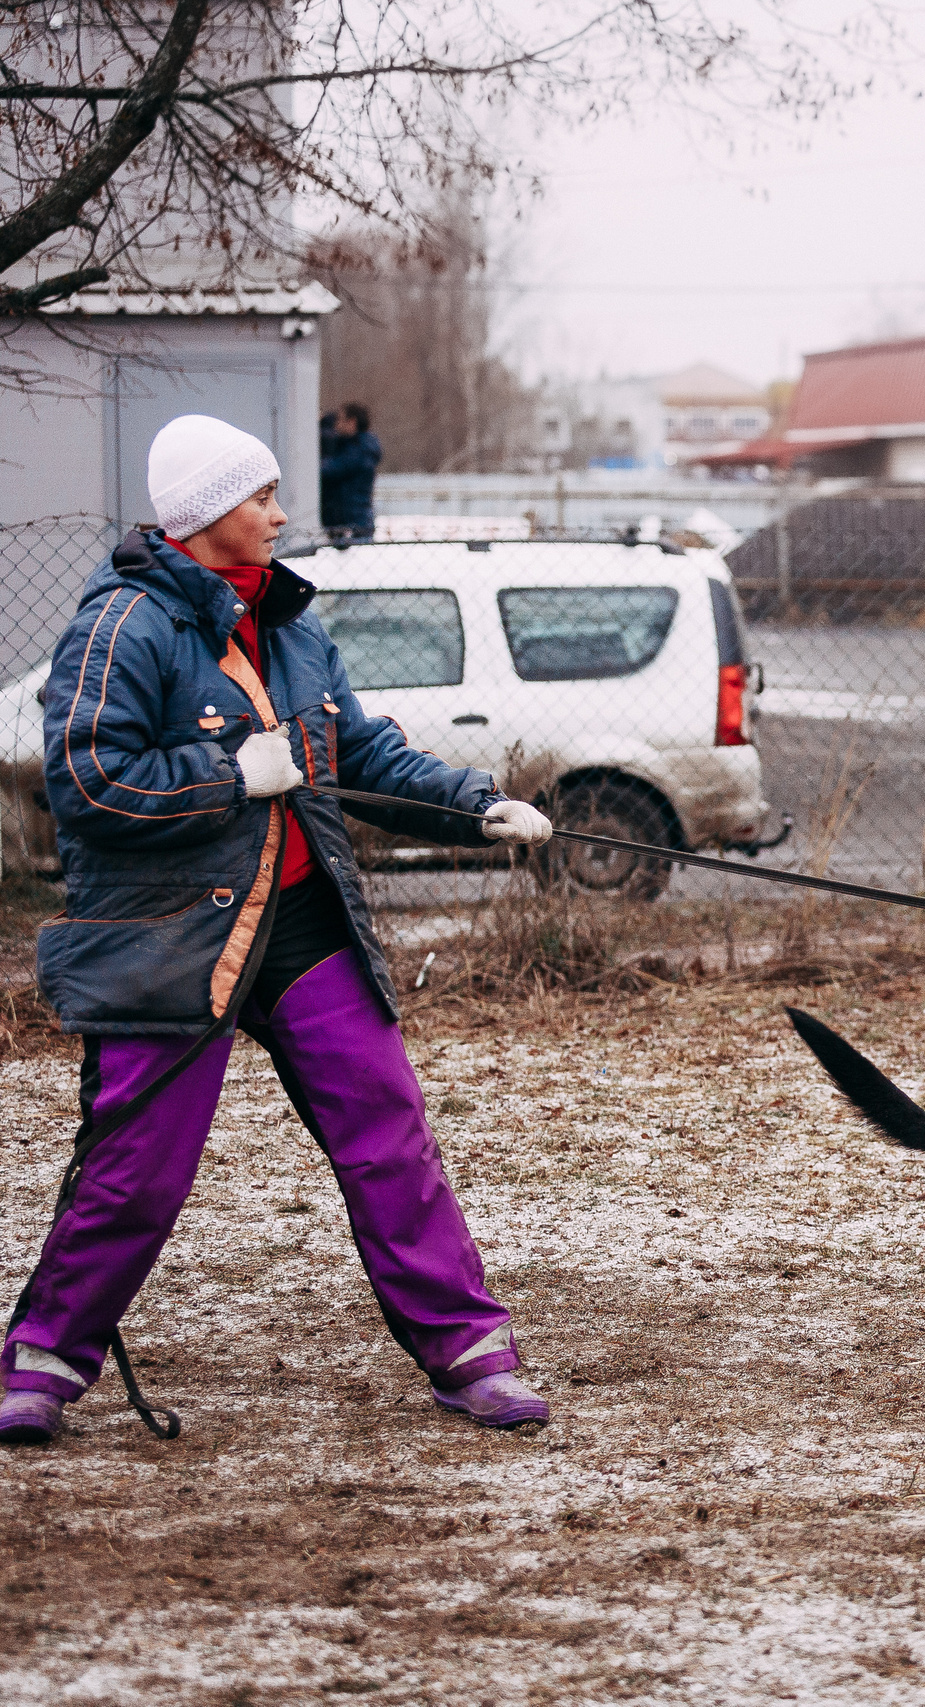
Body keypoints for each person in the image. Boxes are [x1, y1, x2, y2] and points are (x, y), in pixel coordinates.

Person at [1, 414, 555, 1446]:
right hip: (170, 937)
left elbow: (363, 755)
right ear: (205, 512)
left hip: (304, 923)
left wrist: (476, 805)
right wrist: (229, 775)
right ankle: (41, 1362)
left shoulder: (292, 626)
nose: (281, 513)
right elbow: (87, 779)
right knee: (136, 1170)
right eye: (260, 496)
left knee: (389, 1136)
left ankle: (472, 1353)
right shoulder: (122, 626)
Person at [319, 402, 381, 541]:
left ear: (352, 422)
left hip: (353, 524)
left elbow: (329, 470)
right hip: (349, 521)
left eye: (340, 419)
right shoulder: (353, 446)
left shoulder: (360, 451)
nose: (336, 425)